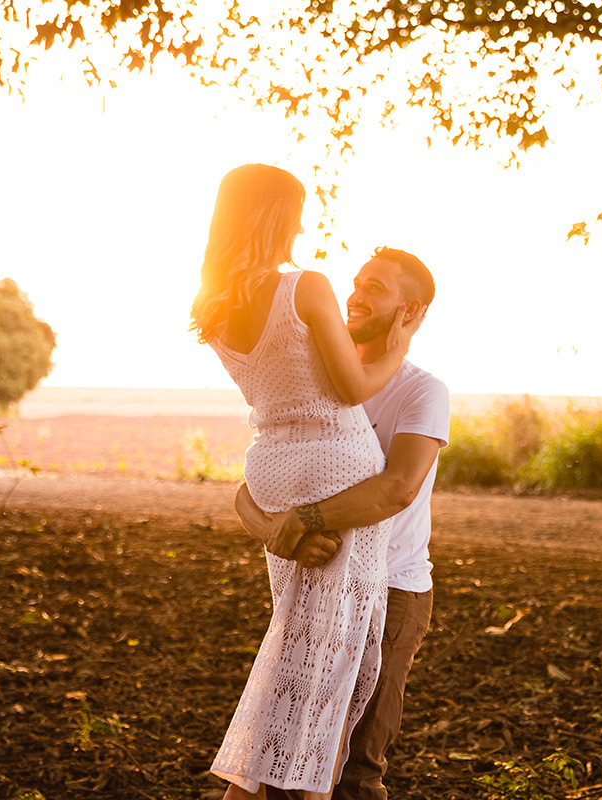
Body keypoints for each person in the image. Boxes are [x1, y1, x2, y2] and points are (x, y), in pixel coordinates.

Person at [191, 164, 425, 800]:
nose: (303, 223)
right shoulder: (306, 286)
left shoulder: (213, 305)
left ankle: (259, 781)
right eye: (296, 210)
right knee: (322, 677)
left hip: (271, 467)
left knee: (292, 651)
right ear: (276, 216)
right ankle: (302, 786)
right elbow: (350, 387)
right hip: (332, 467)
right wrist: (397, 349)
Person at [234, 247, 449, 800]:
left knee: (350, 769)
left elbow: (395, 489)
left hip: (390, 590)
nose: (355, 295)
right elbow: (255, 487)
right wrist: (275, 532)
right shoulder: (316, 374)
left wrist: (304, 519)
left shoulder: (422, 391)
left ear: (411, 310)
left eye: (375, 287)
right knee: (277, 762)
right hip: (312, 590)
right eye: (356, 282)